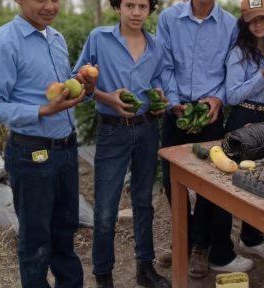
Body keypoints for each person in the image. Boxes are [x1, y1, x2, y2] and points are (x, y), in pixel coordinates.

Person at [0, 0, 96, 287]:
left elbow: (63, 91)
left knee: (65, 231)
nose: (50, 6)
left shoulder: (56, 38)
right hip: (31, 152)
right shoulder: (4, 43)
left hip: (66, 150)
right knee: (36, 239)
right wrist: (42, 111)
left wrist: (85, 87)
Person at [71, 0, 171, 287]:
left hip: (147, 129)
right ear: (117, 7)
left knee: (143, 203)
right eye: (129, 5)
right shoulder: (99, 39)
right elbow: (76, 81)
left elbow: (159, 80)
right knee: (105, 209)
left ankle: (145, 268)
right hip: (112, 131)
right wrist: (106, 98)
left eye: (142, 5)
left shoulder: (156, 46)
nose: (136, 12)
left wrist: (160, 98)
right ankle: (103, 275)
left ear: (151, 8)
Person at [156, 0, 253, 278]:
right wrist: (174, 104)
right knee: (170, 180)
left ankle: (199, 245)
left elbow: (231, 70)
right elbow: (164, 66)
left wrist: (219, 100)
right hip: (177, 111)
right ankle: (183, 236)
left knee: (209, 185)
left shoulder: (230, 24)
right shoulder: (169, 18)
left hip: (210, 113)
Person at [219, 0, 264, 269]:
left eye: (263, 18)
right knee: (237, 181)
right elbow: (232, 96)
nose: (259, 24)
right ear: (245, 22)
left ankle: (251, 237)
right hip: (244, 118)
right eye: (252, 19)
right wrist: (263, 76)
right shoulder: (238, 53)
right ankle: (222, 249)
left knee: (262, 180)